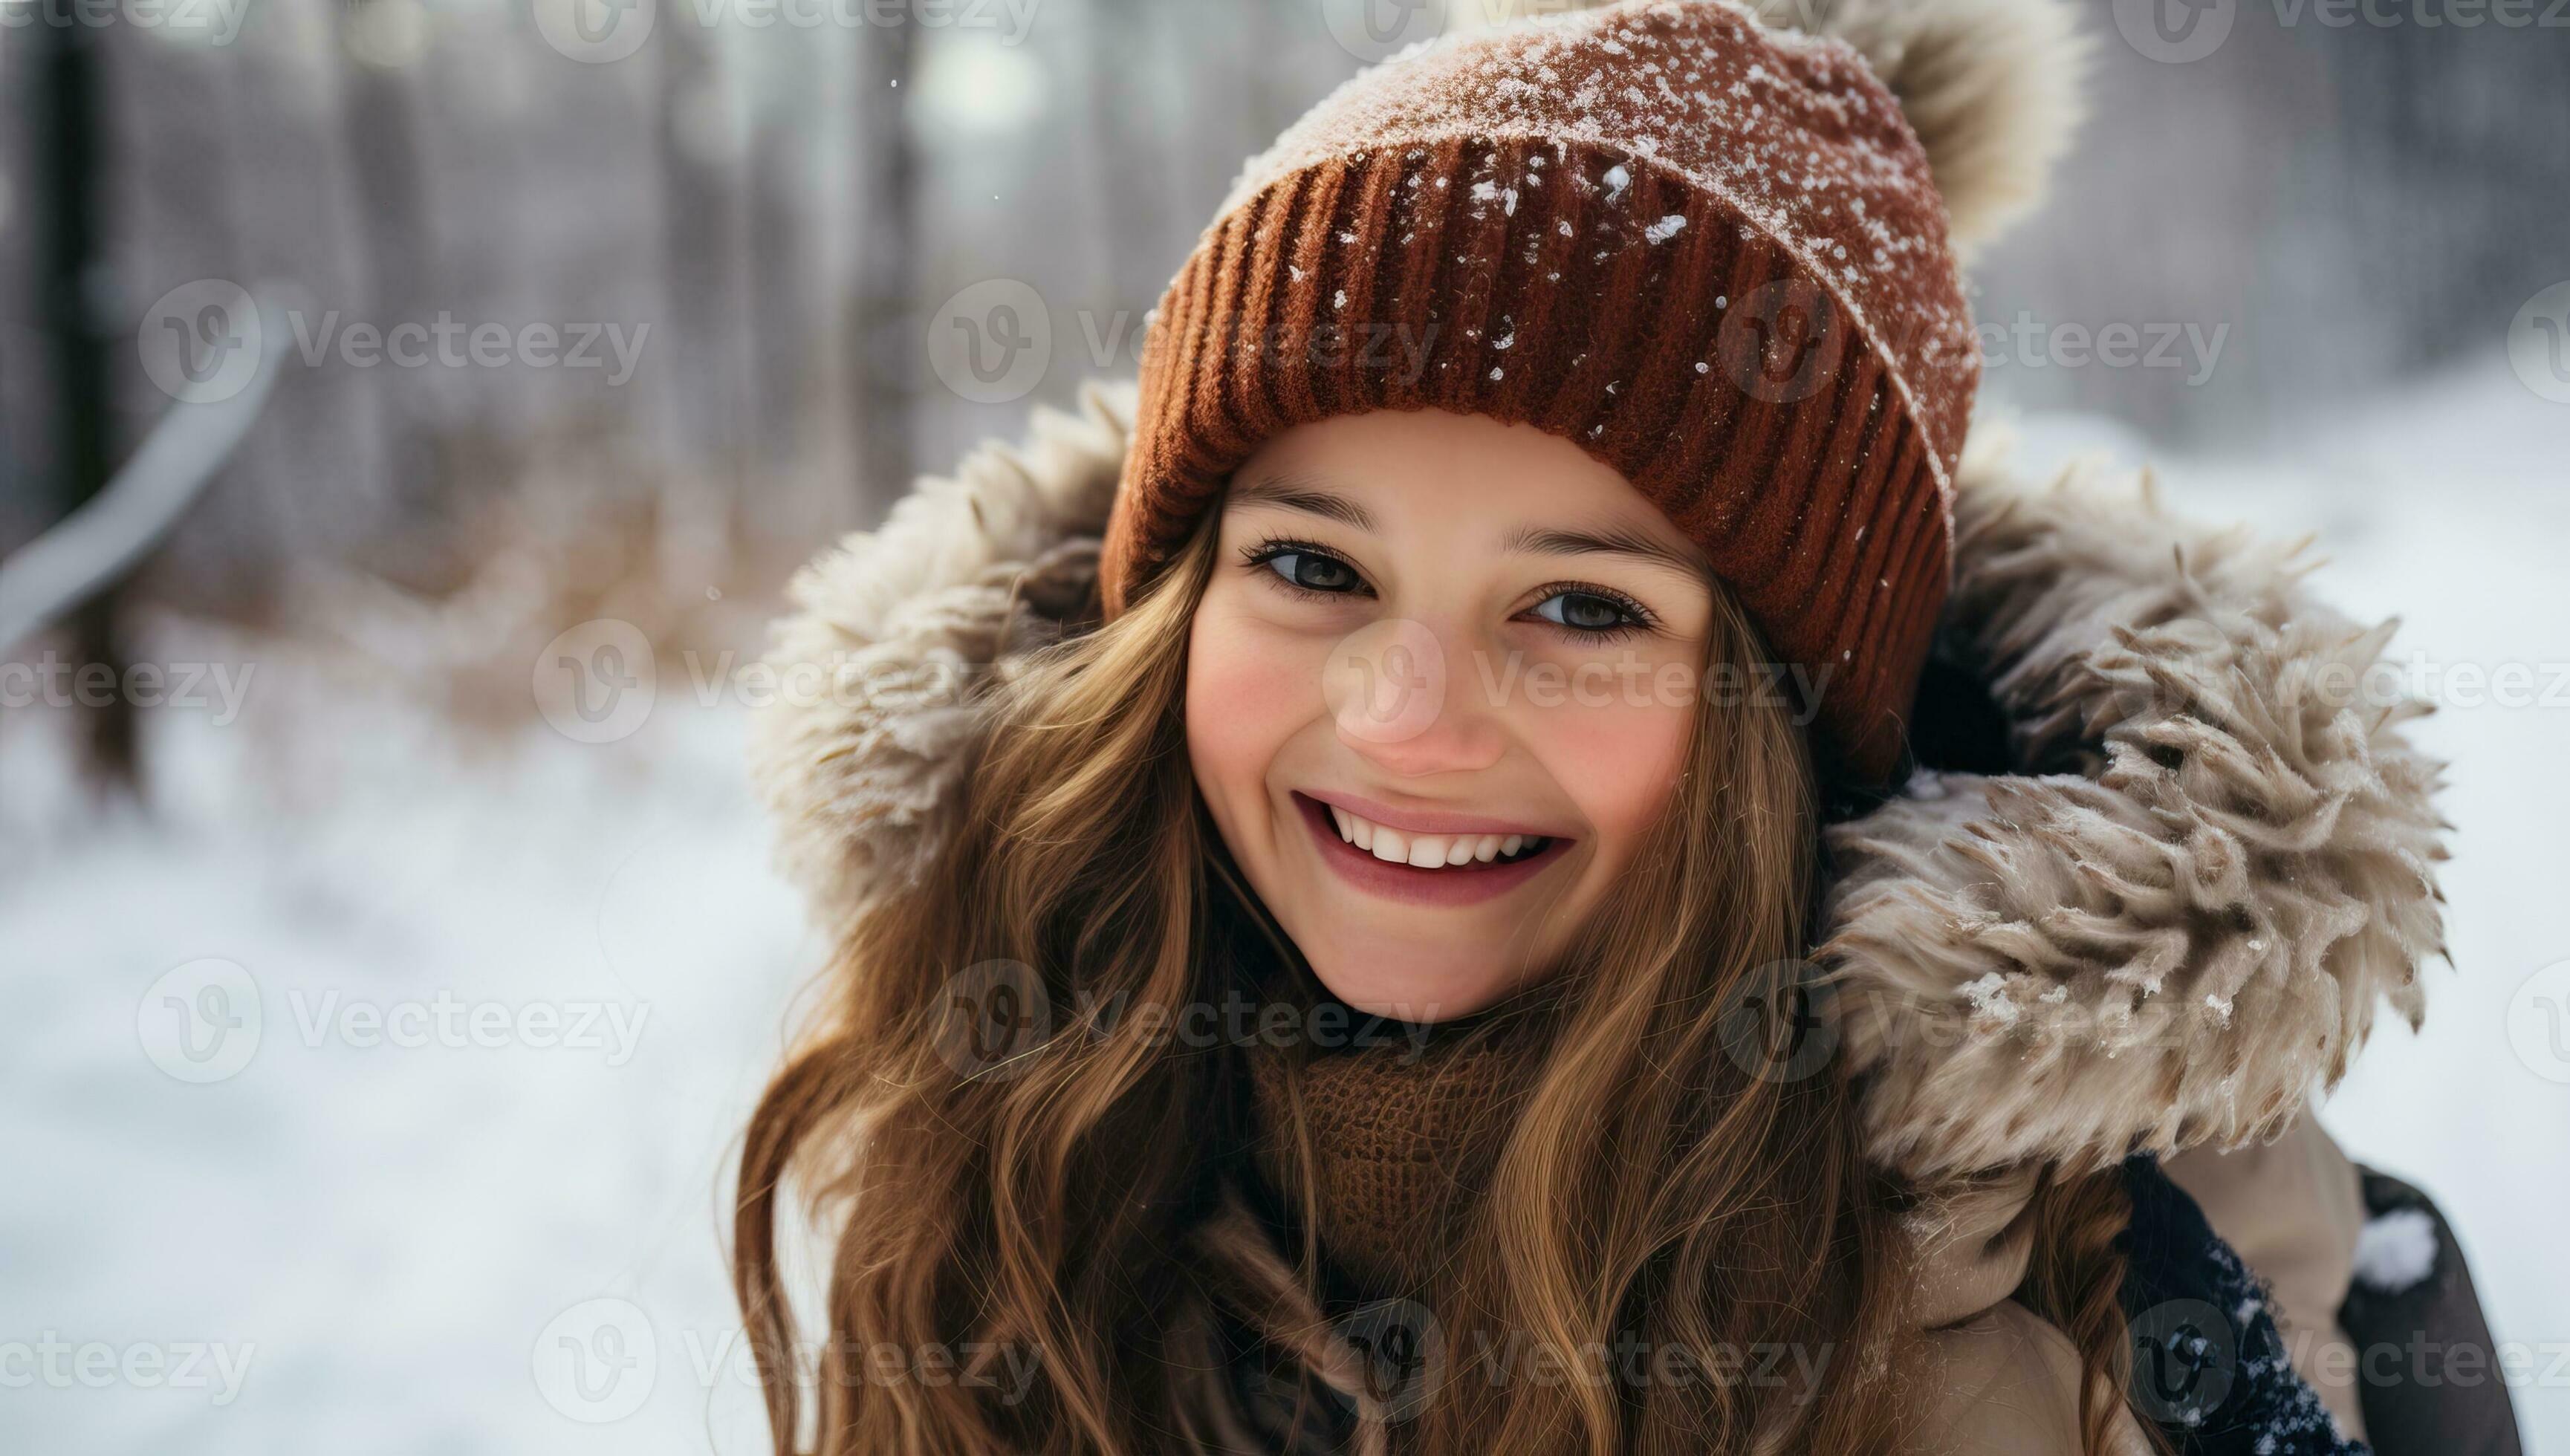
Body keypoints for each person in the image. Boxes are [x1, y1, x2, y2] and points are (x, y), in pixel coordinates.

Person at [736, 1, 2514, 1451]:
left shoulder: (2109, 1273)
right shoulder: (1017, 1125)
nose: (1406, 715)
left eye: (1581, 605)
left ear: (1794, 725)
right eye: (1308, 563)